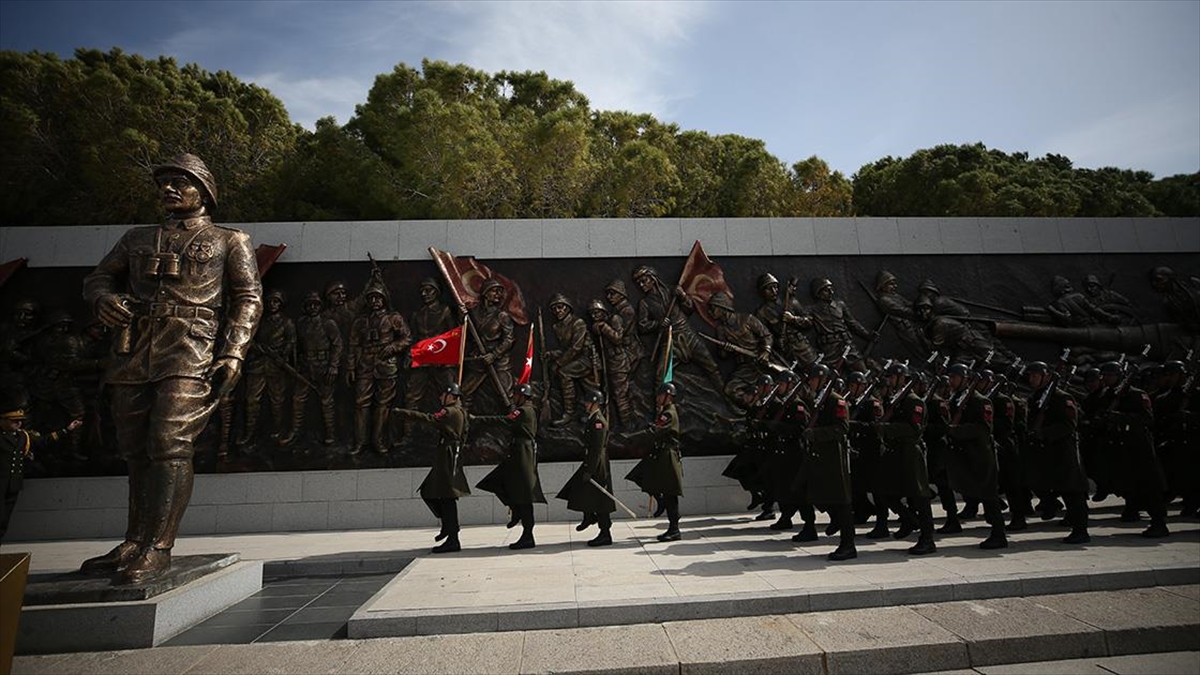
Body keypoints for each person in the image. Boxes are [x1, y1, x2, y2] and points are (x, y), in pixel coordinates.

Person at [80, 153, 263, 584]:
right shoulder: (136, 238)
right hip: (134, 347)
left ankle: (159, 547)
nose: (169, 188)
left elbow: (248, 298)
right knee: (135, 448)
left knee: (170, 441)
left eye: (181, 181)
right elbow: (98, 278)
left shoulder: (228, 240)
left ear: (205, 192)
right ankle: (134, 540)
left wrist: (233, 351)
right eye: (164, 182)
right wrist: (103, 299)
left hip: (189, 348)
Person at [395, 383, 470, 553]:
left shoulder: (449, 412)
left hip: (448, 456)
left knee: (446, 497)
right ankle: (449, 529)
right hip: (449, 455)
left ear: (450, 396)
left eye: (443, 393)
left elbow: (429, 418)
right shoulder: (462, 412)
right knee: (433, 492)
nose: (440, 397)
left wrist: (402, 413)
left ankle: (452, 537)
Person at [1023, 362, 1090, 544]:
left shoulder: (1061, 397)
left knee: (1072, 491)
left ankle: (1080, 530)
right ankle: (1051, 505)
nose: (1032, 379)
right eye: (1030, 376)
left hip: (1063, 451)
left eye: (1035, 375)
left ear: (1046, 376)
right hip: (1046, 452)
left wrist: (1044, 433)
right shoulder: (1037, 397)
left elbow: (1069, 425)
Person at [473, 383, 546, 550]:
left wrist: (476, 419)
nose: (513, 397)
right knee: (494, 481)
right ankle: (515, 509)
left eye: (515, 395)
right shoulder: (527, 410)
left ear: (522, 395)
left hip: (522, 455)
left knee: (525, 497)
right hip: (516, 454)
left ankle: (527, 535)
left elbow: (504, 420)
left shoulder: (523, 411)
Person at [875, 362, 937, 555]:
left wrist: (886, 429)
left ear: (902, 377)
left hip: (911, 453)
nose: (891, 381)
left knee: (920, 497)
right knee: (886, 493)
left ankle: (927, 539)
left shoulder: (913, 401)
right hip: (896, 452)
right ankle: (910, 520)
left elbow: (914, 429)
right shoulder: (897, 399)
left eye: (894, 377)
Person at [943, 363, 1007, 550]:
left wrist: (957, 431)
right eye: (951, 377)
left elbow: (983, 429)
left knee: (989, 496)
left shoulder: (981, 401)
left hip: (980, 455)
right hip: (964, 455)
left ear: (964, 379)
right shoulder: (957, 399)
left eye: (954, 377)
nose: (951, 381)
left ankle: (999, 534)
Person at [348, 274, 411, 455]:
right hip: (365, 365)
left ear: (384, 299)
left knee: (383, 405)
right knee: (361, 404)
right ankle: (359, 442)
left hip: (386, 365)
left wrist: (393, 346)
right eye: (371, 298)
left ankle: (379, 441)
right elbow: (353, 345)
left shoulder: (394, 318)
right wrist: (351, 366)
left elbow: (407, 338)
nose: (375, 301)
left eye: (378, 298)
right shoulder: (360, 321)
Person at [799, 363, 857, 561]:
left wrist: (815, 434)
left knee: (842, 502)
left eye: (813, 379)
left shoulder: (835, 400)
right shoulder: (820, 400)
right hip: (821, 457)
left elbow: (842, 428)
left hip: (834, 458)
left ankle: (848, 545)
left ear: (822, 378)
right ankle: (836, 525)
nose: (811, 382)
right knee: (815, 493)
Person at [1, 402, 82, 540]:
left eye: (20, 421)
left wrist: (67, 429)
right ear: (2, 421)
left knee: (4, 521)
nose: (18, 423)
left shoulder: (23, 437)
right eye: (14, 421)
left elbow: (44, 441)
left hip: (13, 484)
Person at [279, 292, 342, 448]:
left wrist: (333, 366)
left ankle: (331, 434)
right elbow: (296, 344)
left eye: (315, 304)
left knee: (327, 401)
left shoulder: (328, 323)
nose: (312, 307)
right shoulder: (301, 323)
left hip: (324, 366)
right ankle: (295, 431)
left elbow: (337, 345)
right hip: (306, 366)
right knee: (298, 399)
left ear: (320, 306)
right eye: (309, 305)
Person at [625, 382, 685, 542]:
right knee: (640, 476)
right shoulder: (664, 412)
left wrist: (632, 438)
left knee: (670, 494)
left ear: (668, 396)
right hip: (660, 455)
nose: (657, 398)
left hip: (667, 457)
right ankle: (661, 501)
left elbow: (655, 431)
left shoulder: (669, 414)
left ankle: (674, 530)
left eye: (660, 395)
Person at [557, 389, 617, 547]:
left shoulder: (598, 421)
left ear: (595, 403)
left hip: (597, 465)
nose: (585, 404)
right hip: (592, 462)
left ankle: (605, 533)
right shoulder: (592, 419)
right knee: (579, 489)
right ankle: (589, 516)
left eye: (588, 401)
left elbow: (597, 449)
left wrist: (590, 470)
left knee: (601, 500)